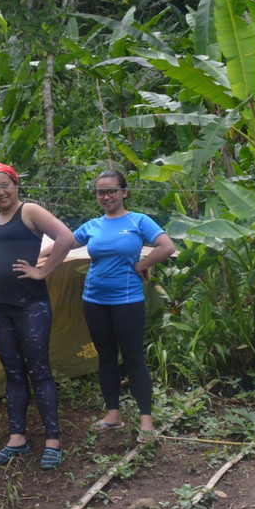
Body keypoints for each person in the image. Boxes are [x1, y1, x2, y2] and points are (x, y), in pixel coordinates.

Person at [0, 162, 75, 470]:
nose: (0, 192)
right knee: (13, 372)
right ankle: (17, 438)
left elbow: (65, 237)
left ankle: (53, 439)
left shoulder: (30, 211)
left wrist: (42, 271)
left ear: (16, 185)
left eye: (5, 185)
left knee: (39, 370)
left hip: (31, 305)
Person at [69, 169, 175, 443]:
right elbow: (63, 244)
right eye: (100, 192)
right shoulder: (93, 225)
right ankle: (113, 415)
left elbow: (166, 246)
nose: (106, 197)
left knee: (134, 358)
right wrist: (33, 259)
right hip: (93, 300)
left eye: (111, 191)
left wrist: (142, 264)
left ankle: (146, 421)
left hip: (127, 302)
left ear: (124, 193)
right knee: (105, 358)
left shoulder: (139, 221)